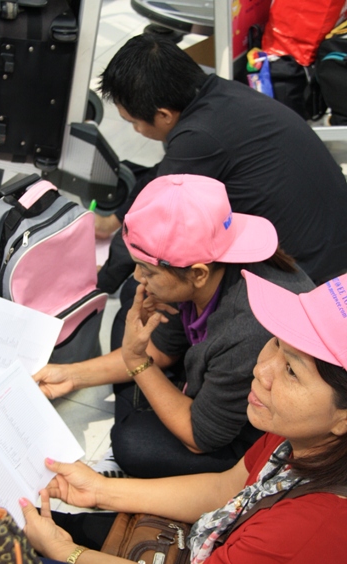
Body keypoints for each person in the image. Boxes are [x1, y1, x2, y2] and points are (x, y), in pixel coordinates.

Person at [21, 271, 347, 564]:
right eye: (275, 342)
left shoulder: (312, 531)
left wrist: (66, 554)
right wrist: (100, 490)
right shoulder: (305, 433)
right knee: (36, 523)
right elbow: (226, 487)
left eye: (291, 369)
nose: (262, 369)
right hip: (198, 562)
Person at [34, 174, 313, 478]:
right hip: (215, 381)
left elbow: (200, 438)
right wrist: (70, 375)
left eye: (147, 270)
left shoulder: (245, 330)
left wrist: (136, 361)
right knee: (130, 314)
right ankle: (156, 407)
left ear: (198, 274)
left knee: (133, 444)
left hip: (249, 432)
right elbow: (162, 351)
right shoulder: (210, 266)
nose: (138, 276)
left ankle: (147, 417)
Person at [95, 33, 347, 294]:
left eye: (134, 122)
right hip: (333, 240)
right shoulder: (222, 93)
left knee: (140, 293)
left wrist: (100, 285)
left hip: (313, 276)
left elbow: (150, 225)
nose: (136, 130)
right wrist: (113, 220)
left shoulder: (199, 137)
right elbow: (164, 175)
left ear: (164, 115)